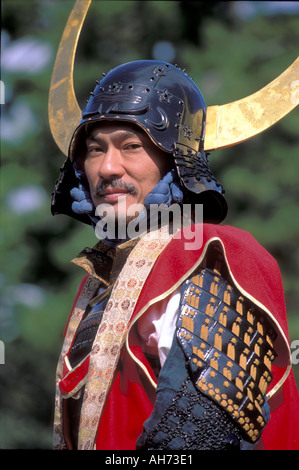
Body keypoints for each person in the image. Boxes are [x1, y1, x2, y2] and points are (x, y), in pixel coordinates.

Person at [51, 60, 299, 450]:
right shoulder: (97, 280)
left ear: (177, 161)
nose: (107, 167)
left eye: (131, 146)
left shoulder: (215, 254)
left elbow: (201, 432)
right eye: (95, 149)